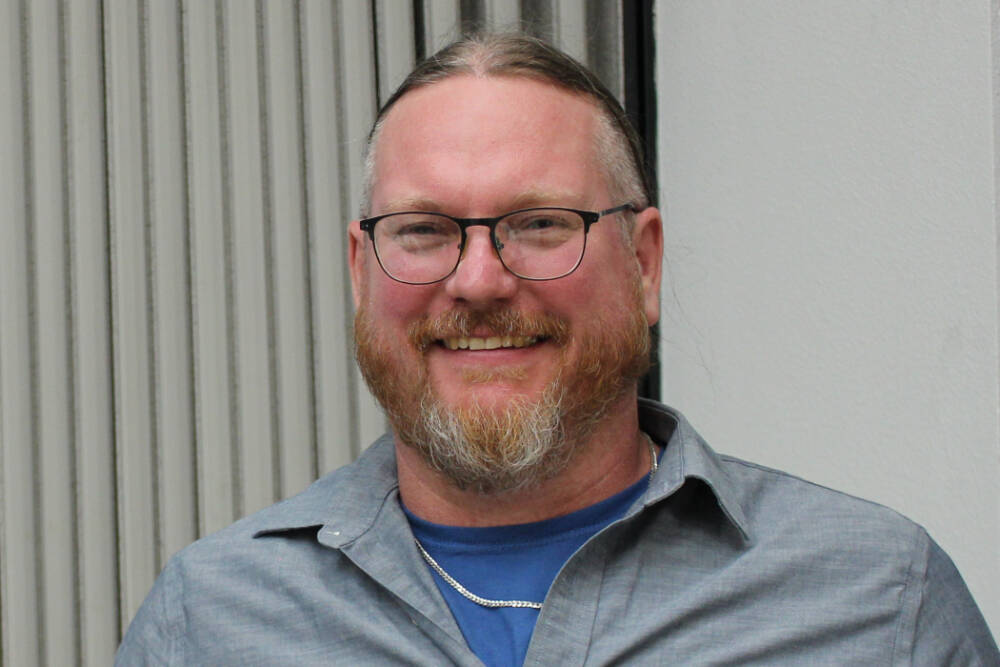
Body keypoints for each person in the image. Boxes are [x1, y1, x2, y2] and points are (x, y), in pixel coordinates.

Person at [117, 32, 998, 666]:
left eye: (539, 223)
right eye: (424, 230)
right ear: (361, 269)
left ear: (644, 263)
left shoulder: (880, 604)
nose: (478, 280)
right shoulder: (212, 621)